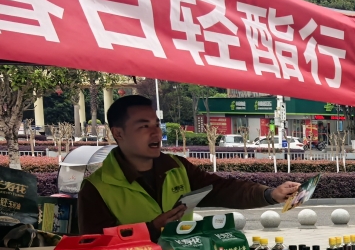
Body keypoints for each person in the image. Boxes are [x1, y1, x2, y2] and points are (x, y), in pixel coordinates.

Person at [79, 95, 300, 238]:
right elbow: (94, 246)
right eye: (144, 126)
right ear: (118, 133)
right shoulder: (97, 188)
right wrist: (151, 229)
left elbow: (222, 189)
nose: (156, 133)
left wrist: (271, 194)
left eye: (157, 125)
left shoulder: (176, 167)